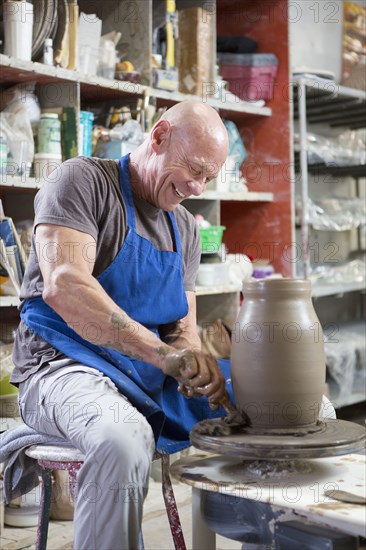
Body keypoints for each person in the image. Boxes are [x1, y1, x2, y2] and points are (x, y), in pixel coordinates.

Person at [11, 100, 233, 549]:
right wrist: (165, 356)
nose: (197, 185)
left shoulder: (185, 228)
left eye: (209, 177)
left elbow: (181, 328)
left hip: (143, 373)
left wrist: (192, 360)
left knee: (283, 413)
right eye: (193, 169)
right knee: (123, 439)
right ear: (159, 136)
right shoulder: (81, 181)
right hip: (61, 366)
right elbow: (64, 285)